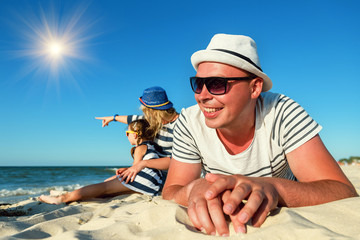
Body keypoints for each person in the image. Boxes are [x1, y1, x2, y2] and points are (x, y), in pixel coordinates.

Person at [162, 34, 358, 236]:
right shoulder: (189, 121)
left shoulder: (282, 112)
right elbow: (171, 190)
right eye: (198, 83)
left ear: (254, 87)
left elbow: (342, 190)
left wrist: (273, 188)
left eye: (216, 83)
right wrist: (194, 188)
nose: (202, 95)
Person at [39, 119, 164, 204]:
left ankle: (62, 198)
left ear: (135, 135)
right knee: (107, 190)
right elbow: (138, 167)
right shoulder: (151, 146)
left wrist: (128, 170)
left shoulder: (140, 148)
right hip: (152, 184)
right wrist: (126, 170)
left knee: (104, 186)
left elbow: (136, 167)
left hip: (144, 179)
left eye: (127, 133)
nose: (126, 136)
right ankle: (69, 194)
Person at [96, 86, 179, 181]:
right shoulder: (155, 121)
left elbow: (178, 161)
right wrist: (113, 118)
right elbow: (133, 119)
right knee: (109, 181)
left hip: (169, 177)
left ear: (153, 111)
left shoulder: (179, 125)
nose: (145, 115)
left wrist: (142, 164)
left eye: (146, 111)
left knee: (110, 183)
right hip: (153, 172)